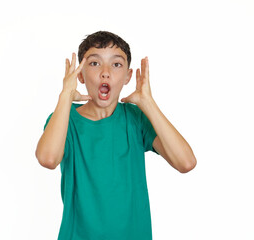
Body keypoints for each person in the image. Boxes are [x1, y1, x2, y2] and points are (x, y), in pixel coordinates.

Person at [35, 31, 197, 240]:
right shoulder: (65, 118)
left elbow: (186, 162)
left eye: (116, 64)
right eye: (94, 63)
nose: (105, 73)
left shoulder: (136, 118)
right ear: (80, 75)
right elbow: (48, 159)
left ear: (128, 76)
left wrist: (147, 102)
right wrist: (65, 97)